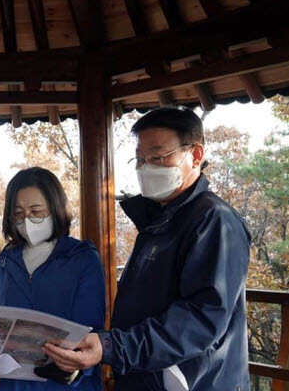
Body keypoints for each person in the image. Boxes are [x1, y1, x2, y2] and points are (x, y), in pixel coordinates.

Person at [42, 107, 251, 390]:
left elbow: (201, 318)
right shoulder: (157, 223)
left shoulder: (214, 220)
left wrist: (111, 347)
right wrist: (110, 346)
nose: (146, 167)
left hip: (198, 382)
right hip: (146, 377)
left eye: (157, 157)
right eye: (140, 159)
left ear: (196, 155)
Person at [0, 167, 105, 391]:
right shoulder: (5, 260)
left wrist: (72, 366)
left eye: (36, 211)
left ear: (55, 208)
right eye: (19, 213)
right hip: (13, 381)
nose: (27, 220)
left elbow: (91, 329)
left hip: (64, 381)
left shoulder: (82, 257)